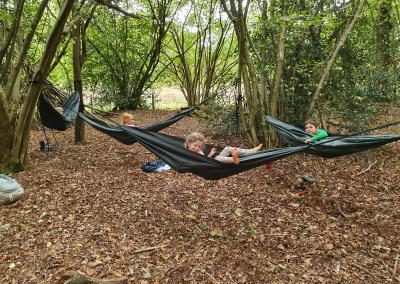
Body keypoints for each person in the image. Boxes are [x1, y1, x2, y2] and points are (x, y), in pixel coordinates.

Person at [184, 132, 262, 165]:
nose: (197, 148)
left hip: (212, 162)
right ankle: (234, 159)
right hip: (212, 166)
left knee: (227, 148)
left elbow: (205, 159)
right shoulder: (184, 153)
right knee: (217, 158)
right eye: (195, 145)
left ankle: (251, 151)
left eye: (199, 146)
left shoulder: (200, 152)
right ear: (189, 143)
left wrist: (210, 154)